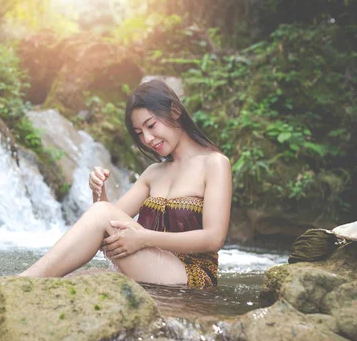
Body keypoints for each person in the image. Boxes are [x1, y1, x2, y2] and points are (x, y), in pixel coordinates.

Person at [20, 79, 232, 288]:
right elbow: (107, 226)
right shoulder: (153, 173)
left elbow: (213, 238)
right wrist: (98, 191)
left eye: (151, 125)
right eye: (139, 133)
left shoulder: (215, 163)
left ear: (175, 111)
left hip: (192, 276)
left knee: (100, 217)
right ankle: (21, 284)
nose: (147, 139)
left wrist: (143, 239)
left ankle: (21, 283)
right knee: (72, 281)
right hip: (152, 268)